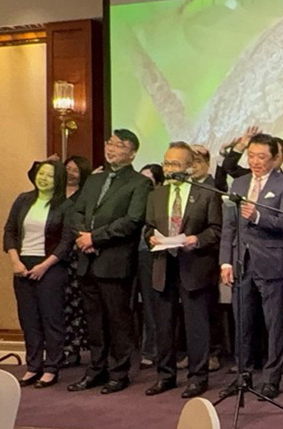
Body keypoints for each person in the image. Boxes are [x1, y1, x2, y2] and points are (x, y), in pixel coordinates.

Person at [67, 129, 151, 395]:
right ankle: (96, 369)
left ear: (133, 153)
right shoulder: (95, 179)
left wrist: (95, 238)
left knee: (117, 320)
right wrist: (83, 237)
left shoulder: (139, 183)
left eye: (119, 145)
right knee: (94, 320)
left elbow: (132, 221)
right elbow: (76, 211)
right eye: (110, 143)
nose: (111, 148)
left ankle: (119, 372)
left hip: (114, 261)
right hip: (87, 259)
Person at [219, 133, 283, 400]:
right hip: (241, 262)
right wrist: (226, 261)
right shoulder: (239, 183)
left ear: (275, 158)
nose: (255, 161)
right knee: (241, 321)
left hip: (271, 261)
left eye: (261, 157)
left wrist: (258, 216)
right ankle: (243, 375)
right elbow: (229, 226)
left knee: (274, 323)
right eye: (251, 156)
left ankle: (272, 378)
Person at [144, 142, 223, 399]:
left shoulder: (206, 193)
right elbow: (148, 226)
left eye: (175, 164)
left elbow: (216, 230)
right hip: (163, 265)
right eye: (167, 163)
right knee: (164, 325)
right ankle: (165, 375)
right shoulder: (156, 194)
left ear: (190, 166)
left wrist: (196, 240)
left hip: (194, 266)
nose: (169, 168)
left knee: (196, 325)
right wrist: (150, 237)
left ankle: (198, 377)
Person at [3, 160, 74, 388]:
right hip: (22, 265)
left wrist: (44, 266)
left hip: (51, 267)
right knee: (29, 319)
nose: (43, 179)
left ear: (58, 180)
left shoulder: (66, 205)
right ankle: (33, 366)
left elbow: (66, 241)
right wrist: (15, 261)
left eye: (49, 176)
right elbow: (10, 231)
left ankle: (52, 367)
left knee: (51, 318)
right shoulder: (23, 200)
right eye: (41, 174)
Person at [191, 144, 226, 372]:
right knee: (191, 310)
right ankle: (195, 353)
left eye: (197, 162)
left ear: (207, 163)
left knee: (209, 307)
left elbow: (217, 227)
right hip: (185, 256)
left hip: (207, 255)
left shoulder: (215, 187)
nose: (192, 167)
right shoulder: (184, 187)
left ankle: (214, 352)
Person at [136, 163, 164, 371]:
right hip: (129, 255)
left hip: (150, 253)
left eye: (148, 181)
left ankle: (151, 350)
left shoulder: (158, 201)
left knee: (151, 303)